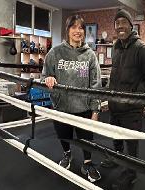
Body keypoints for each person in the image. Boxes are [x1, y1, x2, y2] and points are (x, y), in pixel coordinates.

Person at [100, 9, 145, 189]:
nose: (120, 26)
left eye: (124, 22)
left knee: (131, 143)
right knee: (115, 136)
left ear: (131, 25)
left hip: (132, 108)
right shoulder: (116, 47)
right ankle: (116, 158)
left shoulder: (142, 49)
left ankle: (131, 174)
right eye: (117, 23)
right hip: (115, 104)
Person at [42, 15, 102, 183]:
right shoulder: (55, 52)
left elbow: (95, 84)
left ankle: (87, 163)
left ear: (84, 31)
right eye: (73, 27)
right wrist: (48, 79)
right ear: (67, 30)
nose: (77, 31)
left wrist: (95, 110)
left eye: (81, 28)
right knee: (64, 135)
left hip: (84, 108)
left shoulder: (90, 55)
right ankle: (67, 155)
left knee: (87, 140)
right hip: (61, 107)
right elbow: (44, 76)